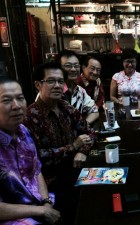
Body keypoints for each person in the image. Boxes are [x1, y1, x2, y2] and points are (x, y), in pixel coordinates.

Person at [24, 62, 93, 225]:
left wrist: (82, 150)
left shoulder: (65, 107)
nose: (57, 85)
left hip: (76, 169)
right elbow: (38, 157)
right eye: (51, 81)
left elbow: (89, 131)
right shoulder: (30, 117)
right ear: (38, 85)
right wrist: (73, 147)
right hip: (51, 180)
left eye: (60, 81)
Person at [0, 76, 61, 225]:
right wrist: (40, 210)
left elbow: (36, 170)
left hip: (37, 203)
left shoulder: (23, 131)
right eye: (6, 100)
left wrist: (46, 202)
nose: (16, 106)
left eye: (20, 98)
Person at [57, 50, 99, 125]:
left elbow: (95, 111)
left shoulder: (79, 90)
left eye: (76, 66)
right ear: (59, 68)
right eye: (68, 65)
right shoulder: (52, 92)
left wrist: (83, 125)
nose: (73, 69)